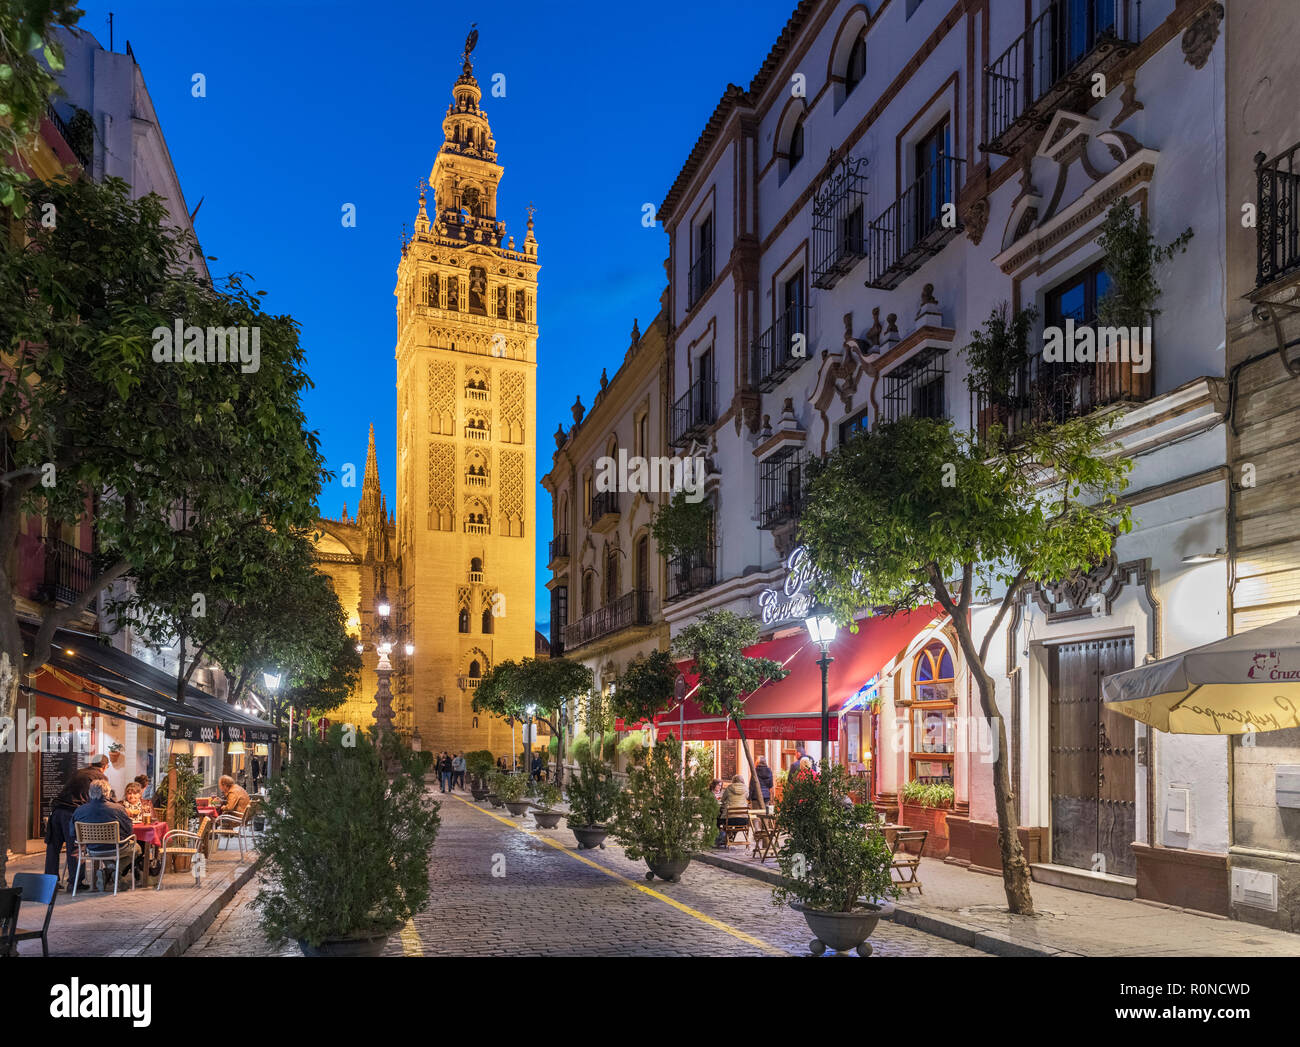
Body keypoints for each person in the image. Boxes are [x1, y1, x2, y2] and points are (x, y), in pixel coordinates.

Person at [44, 755, 110, 889]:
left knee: (53, 848)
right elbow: (101, 799)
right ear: (105, 767)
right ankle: (75, 883)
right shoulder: (100, 777)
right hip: (73, 813)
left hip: (56, 811)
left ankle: (50, 883)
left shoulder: (79, 772)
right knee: (75, 848)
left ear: (91, 763)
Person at [73, 780, 140, 887]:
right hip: (116, 848)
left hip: (92, 849)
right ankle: (112, 872)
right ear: (108, 793)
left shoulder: (79, 811)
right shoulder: (118, 809)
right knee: (137, 848)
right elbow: (129, 831)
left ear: (90, 793)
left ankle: (108, 871)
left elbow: (73, 832)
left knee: (101, 848)